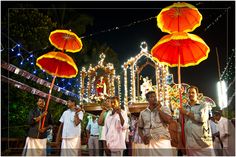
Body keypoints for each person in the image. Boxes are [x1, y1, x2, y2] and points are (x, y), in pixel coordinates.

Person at [179, 86, 215, 156]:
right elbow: (181, 124)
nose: (191, 94)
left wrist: (186, 113)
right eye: (189, 93)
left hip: (203, 143)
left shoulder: (203, 105)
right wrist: (181, 143)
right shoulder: (183, 107)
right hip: (190, 144)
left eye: (193, 92)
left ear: (197, 94)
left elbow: (202, 118)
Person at [138, 91, 175, 156]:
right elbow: (140, 127)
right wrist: (142, 137)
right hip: (150, 142)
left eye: (155, 96)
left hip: (163, 141)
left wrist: (159, 110)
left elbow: (169, 121)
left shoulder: (164, 108)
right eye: (152, 97)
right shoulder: (143, 113)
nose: (154, 98)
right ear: (147, 99)